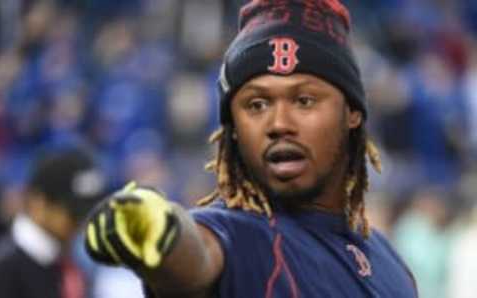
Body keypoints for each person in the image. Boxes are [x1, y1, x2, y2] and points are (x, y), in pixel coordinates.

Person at [84, 1, 418, 297]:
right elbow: (196, 257)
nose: (278, 123)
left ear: (352, 113)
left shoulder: (391, 264)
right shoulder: (237, 237)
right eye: (256, 104)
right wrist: (163, 232)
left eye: (304, 100)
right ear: (233, 130)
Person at [0, 146, 106, 298]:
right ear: (38, 203)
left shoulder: (72, 264)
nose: (81, 222)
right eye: (74, 212)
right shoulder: (4, 270)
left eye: (86, 212)